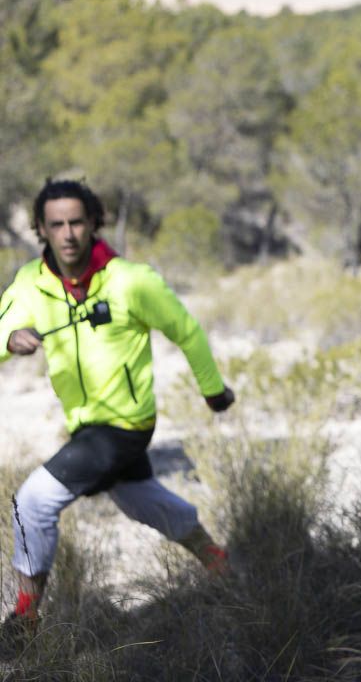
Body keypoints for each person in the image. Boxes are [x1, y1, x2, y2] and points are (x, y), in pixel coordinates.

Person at [0, 179, 236, 648]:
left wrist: (212, 390)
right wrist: (10, 339)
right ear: (41, 230)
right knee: (138, 498)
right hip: (85, 426)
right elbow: (4, 324)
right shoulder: (32, 282)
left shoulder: (132, 280)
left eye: (76, 222)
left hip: (126, 424)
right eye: (56, 225)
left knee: (33, 502)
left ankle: (24, 622)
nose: (67, 234)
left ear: (93, 224)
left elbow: (186, 330)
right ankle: (219, 562)